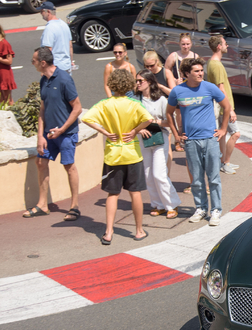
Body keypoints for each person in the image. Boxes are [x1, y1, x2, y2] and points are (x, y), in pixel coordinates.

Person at [81, 69, 153, 245]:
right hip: (132, 153)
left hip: (113, 154)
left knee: (112, 194)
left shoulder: (105, 104)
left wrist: (105, 132)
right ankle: (139, 230)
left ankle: (108, 232)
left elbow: (86, 118)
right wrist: (135, 131)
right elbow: (149, 119)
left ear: (112, 84)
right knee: (135, 192)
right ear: (129, 84)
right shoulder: (134, 104)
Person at [166, 57, 230, 226]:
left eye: (201, 70)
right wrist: (176, 134)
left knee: (214, 178)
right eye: (196, 71)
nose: (201, 73)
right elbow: (168, 113)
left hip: (210, 139)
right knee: (196, 179)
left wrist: (223, 129)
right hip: (191, 142)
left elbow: (227, 106)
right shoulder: (177, 91)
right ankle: (201, 208)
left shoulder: (210, 87)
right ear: (186, 73)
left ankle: (216, 210)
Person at [23, 47, 82, 221]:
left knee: (69, 166)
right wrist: (40, 136)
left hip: (66, 133)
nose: (32, 63)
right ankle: (42, 205)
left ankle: (75, 206)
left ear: (42, 63)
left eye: (33, 61)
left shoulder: (64, 80)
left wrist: (62, 129)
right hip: (49, 135)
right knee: (41, 161)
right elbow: (43, 110)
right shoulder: (44, 80)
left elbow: (77, 108)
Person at [134, 70, 181, 219]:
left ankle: (171, 204)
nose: (138, 83)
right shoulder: (136, 100)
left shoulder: (161, 100)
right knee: (148, 174)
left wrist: (153, 122)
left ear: (150, 82)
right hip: (144, 138)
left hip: (159, 136)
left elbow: (169, 122)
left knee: (159, 174)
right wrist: (139, 129)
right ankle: (158, 204)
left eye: (141, 80)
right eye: (137, 81)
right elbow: (132, 120)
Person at [207, 35, 240, 175]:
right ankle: (225, 162)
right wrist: (230, 109)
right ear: (219, 46)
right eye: (225, 43)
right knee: (236, 134)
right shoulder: (217, 65)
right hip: (223, 107)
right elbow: (221, 89)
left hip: (219, 107)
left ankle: (223, 162)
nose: (227, 46)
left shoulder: (211, 63)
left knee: (223, 134)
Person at [37, 2, 74, 74]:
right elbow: (70, 46)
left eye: (41, 12)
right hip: (67, 66)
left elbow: (47, 50)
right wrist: (71, 61)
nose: (41, 14)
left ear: (48, 12)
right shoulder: (64, 24)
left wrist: (44, 69)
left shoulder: (49, 28)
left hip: (55, 68)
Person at [0, 24, 17, 106]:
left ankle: (13, 116)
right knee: (1, 99)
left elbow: (9, 61)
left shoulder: (4, 44)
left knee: (7, 99)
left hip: (4, 74)